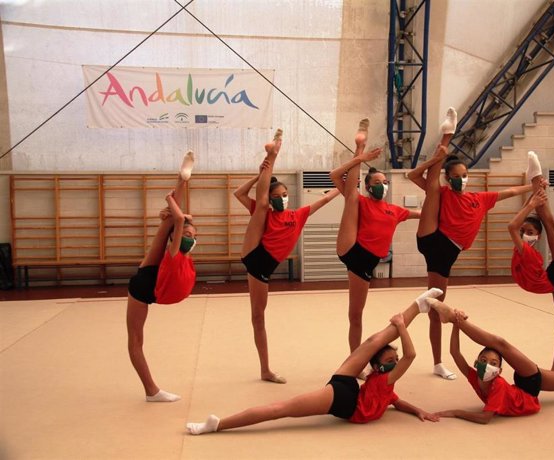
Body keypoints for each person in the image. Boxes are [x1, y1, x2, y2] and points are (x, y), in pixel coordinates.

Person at [186, 288, 456, 434]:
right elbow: (410, 356)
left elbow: (396, 401)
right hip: (342, 395)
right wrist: (401, 324)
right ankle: (218, 424)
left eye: (394, 359)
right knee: (281, 408)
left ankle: (418, 306)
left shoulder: (385, 384)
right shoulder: (385, 377)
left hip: (347, 398)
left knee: (373, 342)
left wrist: (418, 410)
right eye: (390, 359)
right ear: (376, 368)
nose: (395, 361)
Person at [407, 108, 534, 381]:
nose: (461, 179)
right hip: (433, 238)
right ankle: (446, 135)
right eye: (456, 175)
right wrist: (438, 159)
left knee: (436, 306)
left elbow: (510, 191)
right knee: (431, 189)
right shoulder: (442, 191)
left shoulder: (480, 198)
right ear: (448, 177)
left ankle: (437, 361)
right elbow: (413, 177)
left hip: (448, 252)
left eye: (465, 175)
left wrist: (532, 187)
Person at [235, 130, 340, 384]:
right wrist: (260, 174)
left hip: (266, 265)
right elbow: (239, 194)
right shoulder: (266, 212)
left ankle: (264, 370)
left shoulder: (298, 214)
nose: (282, 198)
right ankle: (273, 154)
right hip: (255, 254)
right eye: (276, 196)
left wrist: (344, 186)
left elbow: (325, 199)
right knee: (258, 206)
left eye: (284, 194)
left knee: (258, 317)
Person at [329, 119, 421, 358]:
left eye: (385, 182)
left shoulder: (395, 211)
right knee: (351, 197)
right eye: (377, 182)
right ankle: (358, 145)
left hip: (369, 261)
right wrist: (360, 157)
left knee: (356, 314)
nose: (382, 185)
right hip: (353, 249)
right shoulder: (362, 201)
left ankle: (354, 357)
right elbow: (335, 175)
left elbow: (423, 214)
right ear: (369, 187)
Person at [126, 151, 197, 402]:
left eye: (192, 234)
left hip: (156, 276)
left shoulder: (182, 255)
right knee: (135, 340)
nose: (189, 236)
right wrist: (170, 200)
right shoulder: (174, 250)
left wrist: (176, 213)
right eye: (186, 233)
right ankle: (151, 391)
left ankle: (182, 179)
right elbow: (178, 219)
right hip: (144, 286)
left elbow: (178, 219)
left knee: (167, 222)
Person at [508, 151, 554, 372]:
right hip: (551, 278)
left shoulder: (526, 250)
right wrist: (535, 197)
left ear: (537, 236)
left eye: (530, 231)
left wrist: (535, 196)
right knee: (551, 224)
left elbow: (517, 224)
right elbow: (513, 226)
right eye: (525, 230)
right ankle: (536, 179)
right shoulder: (524, 248)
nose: (526, 233)